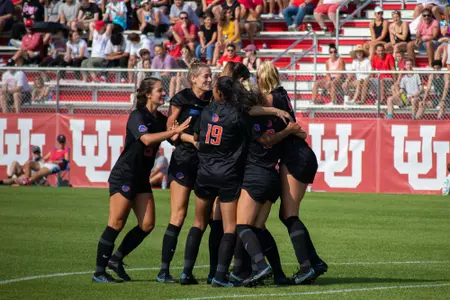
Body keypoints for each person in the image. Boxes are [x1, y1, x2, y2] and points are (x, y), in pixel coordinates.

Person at [92, 77, 191, 283]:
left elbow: (174, 136)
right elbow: (147, 139)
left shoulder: (160, 119)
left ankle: (116, 259)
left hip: (141, 178)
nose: (163, 94)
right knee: (116, 222)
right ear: (147, 94)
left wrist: (191, 136)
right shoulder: (138, 115)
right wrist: (172, 131)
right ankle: (99, 272)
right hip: (125, 174)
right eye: (158, 91)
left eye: (163, 91)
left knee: (147, 224)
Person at [230, 63, 301, 287]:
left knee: (242, 226)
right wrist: (286, 126)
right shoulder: (278, 108)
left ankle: (260, 267)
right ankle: (279, 275)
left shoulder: (253, 114)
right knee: (259, 227)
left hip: (256, 174)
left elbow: (260, 130)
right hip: (272, 175)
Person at [257, 60, 327, 284]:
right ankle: (314, 262)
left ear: (262, 79)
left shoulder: (271, 98)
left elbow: (248, 106)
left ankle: (307, 266)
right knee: (287, 215)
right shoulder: (281, 94)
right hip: (300, 154)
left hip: (295, 156)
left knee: (289, 215)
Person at [179, 76, 253, 287]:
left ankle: (186, 273)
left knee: (198, 223)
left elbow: (197, 139)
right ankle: (220, 276)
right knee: (229, 228)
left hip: (204, 173)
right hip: (228, 175)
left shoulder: (206, 112)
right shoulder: (238, 115)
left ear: (219, 92)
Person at [156, 62, 213, 284]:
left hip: (207, 163)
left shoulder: (214, 99)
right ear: (194, 79)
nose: (209, 79)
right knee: (178, 216)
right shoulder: (182, 97)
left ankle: (188, 272)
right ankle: (164, 271)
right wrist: (192, 139)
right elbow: (170, 132)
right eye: (206, 76)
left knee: (204, 219)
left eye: (211, 76)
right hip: (184, 160)